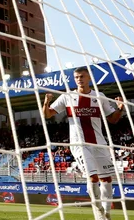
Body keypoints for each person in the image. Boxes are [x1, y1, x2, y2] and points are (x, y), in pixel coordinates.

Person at [43, 66, 124, 220]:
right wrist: (46, 102)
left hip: (100, 143)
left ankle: (106, 213)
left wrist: (120, 109)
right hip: (79, 144)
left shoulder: (99, 97)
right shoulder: (67, 97)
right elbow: (47, 115)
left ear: (89, 78)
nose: (79, 79)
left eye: (82, 76)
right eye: (77, 77)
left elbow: (113, 119)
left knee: (106, 179)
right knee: (92, 177)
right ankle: (99, 212)